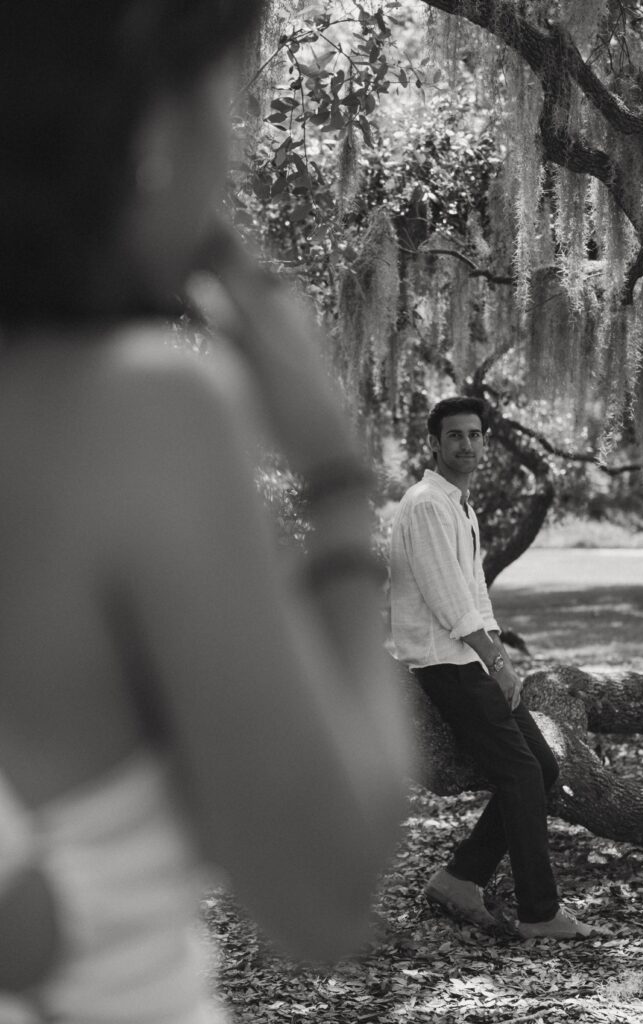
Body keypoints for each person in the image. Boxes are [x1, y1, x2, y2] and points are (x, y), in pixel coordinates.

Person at [0, 3, 412, 1022]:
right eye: (227, 98)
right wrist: (335, 478)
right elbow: (324, 893)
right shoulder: (138, 414)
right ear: (143, 131)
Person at [389, 395, 593, 939]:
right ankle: (539, 912)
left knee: (543, 769)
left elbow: (476, 592)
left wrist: (496, 651)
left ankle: (461, 878)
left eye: (475, 435)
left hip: (472, 659)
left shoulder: (460, 505)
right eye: (455, 435)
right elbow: (448, 598)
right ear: (434, 443)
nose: (467, 445)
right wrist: (497, 661)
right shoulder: (427, 503)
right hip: (446, 664)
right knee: (521, 773)